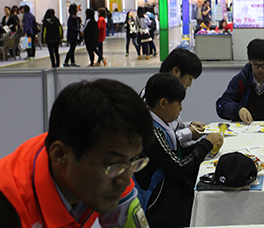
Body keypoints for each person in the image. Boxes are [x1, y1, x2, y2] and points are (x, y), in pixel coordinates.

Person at [0, 79, 154, 228]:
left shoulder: (116, 170)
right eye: (114, 164)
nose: (126, 181)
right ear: (60, 155)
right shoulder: (10, 207)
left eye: (133, 161)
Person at [135, 73, 223, 228]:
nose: (181, 108)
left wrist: (203, 145)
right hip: (159, 205)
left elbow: (175, 152)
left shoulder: (160, 124)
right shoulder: (150, 132)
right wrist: (206, 145)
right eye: (179, 104)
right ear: (163, 103)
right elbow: (177, 168)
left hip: (168, 195)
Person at [157, 48, 208, 146]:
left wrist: (190, 125)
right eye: (189, 78)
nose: (189, 85)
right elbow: (163, 139)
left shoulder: (169, 92)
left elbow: (174, 126)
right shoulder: (154, 94)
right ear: (176, 71)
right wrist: (189, 133)